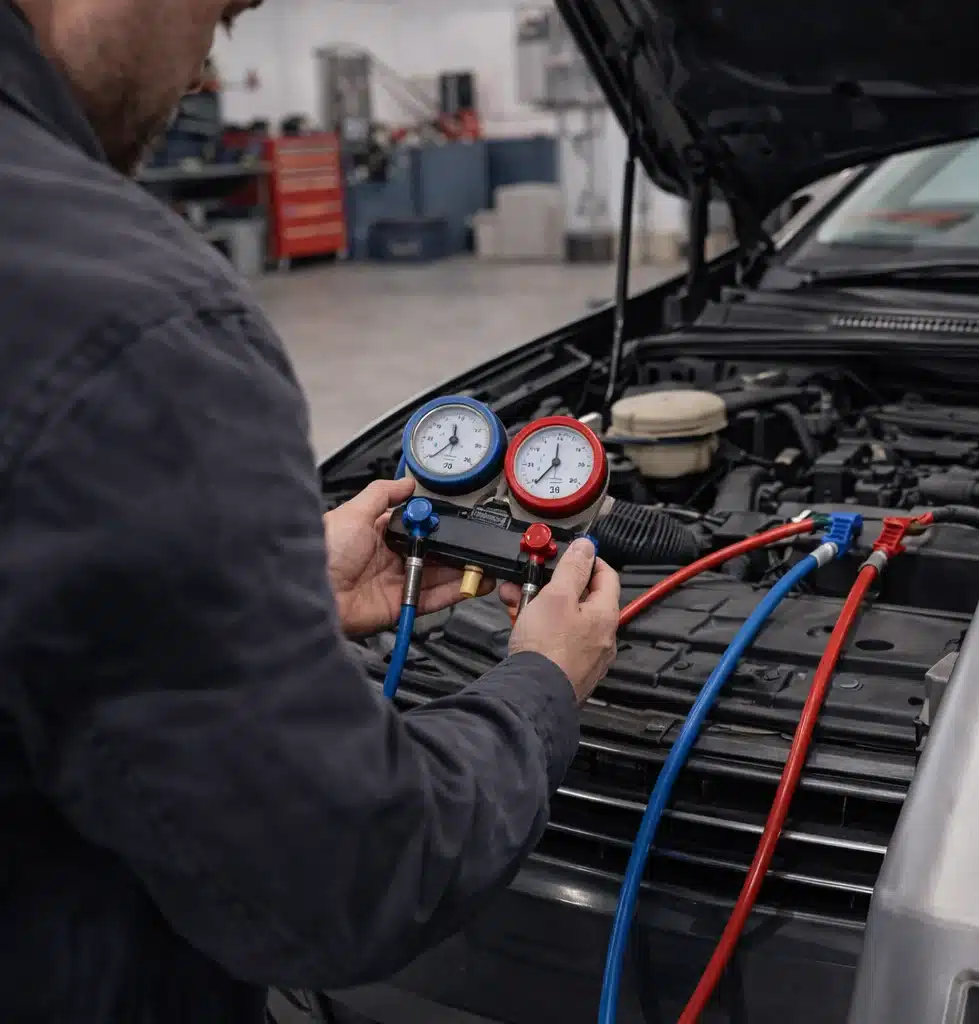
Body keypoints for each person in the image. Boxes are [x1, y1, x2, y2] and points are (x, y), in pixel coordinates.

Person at [0, 1, 621, 1021]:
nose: (205, 76)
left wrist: (263, 593)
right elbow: (343, 877)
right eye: (220, 15)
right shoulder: (133, 323)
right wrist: (542, 685)